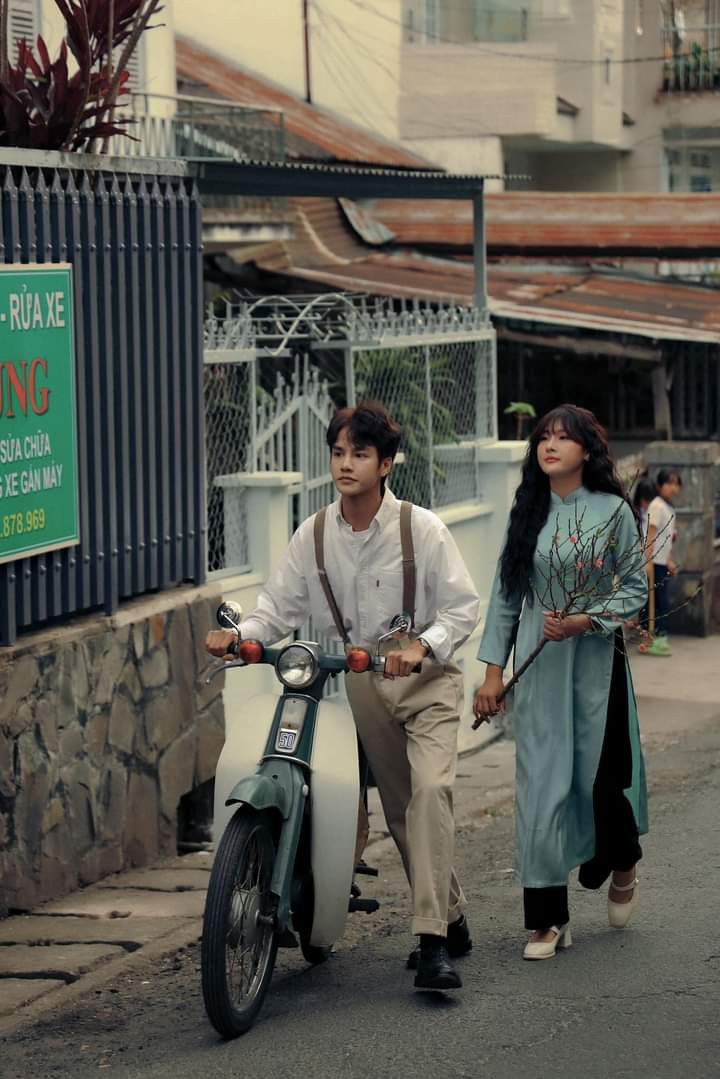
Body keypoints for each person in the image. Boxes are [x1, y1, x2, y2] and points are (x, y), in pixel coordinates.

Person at [206, 402, 480, 990]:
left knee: (430, 792)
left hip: (427, 684)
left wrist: (424, 647)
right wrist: (239, 637)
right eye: (338, 453)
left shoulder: (421, 528)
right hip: (363, 685)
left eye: (359, 454)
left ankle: (431, 944)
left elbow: (463, 608)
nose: (345, 464)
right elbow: (278, 609)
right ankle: (451, 917)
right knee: (405, 812)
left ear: (385, 464)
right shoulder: (316, 533)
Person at [473, 404, 648, 960]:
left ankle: (622, 859)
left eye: (563, 438)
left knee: (599, 782)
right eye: (543, 437)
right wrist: (493, 674)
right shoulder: (526, 512)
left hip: (597, 663)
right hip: (541, 665)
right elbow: (505, 598)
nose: (550, 445)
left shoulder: (613, 511)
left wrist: (585, 619)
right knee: (541, 787)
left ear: (587, 450)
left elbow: (634, 589)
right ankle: (548, 920)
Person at [644, 469, 682, 657]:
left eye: (676, 483)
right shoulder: (657, 506)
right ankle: (654, 639)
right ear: (660, 486)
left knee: (660, 601)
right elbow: (650, 535)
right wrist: (648, 560)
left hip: (661, 562)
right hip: (654, 562)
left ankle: (658, 639)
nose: (673, 487)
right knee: (658, 602)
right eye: (669, 483)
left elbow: (665, 539)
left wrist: (668, 561)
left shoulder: (668, 507)